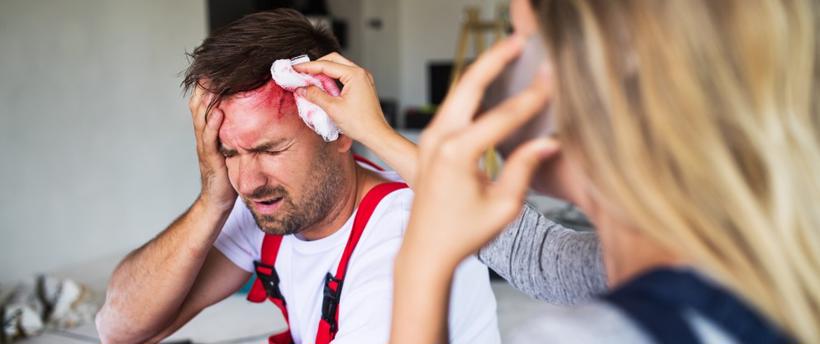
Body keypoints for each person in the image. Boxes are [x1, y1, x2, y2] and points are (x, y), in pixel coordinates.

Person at [296, 0, 820, 343]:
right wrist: (381, 136)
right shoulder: (749, 256)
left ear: (592, 71)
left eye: (514, 34)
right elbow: (545, 260)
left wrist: (421, 268)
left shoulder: (592, 335)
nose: (500, 59)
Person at [94, 9, 500, 344]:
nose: (248, 181)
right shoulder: (272, 200)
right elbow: (120, 327)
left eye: (270, 149)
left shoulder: (399, 239)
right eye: (230, 152)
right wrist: (211, 201)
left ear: (338, 130)